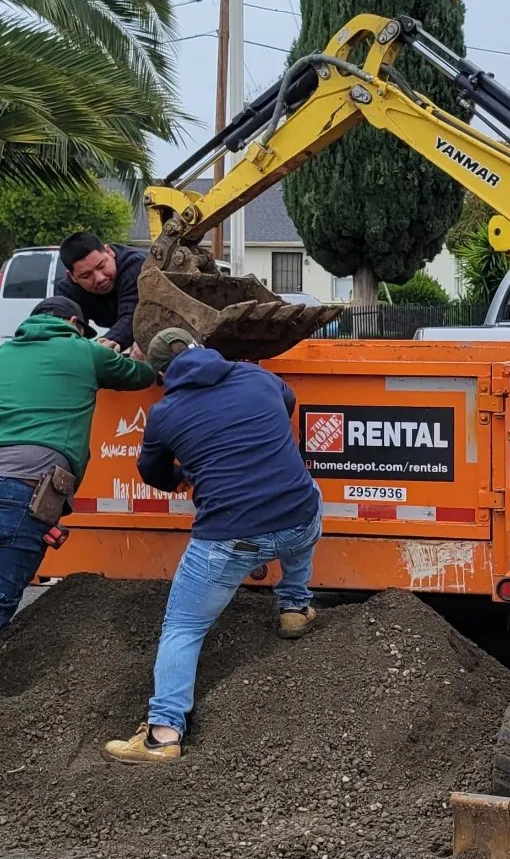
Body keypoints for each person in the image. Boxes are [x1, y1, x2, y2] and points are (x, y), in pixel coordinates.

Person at [103, 328, 323, 765]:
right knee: (305, 501)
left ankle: (162, 735)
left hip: (230, 536)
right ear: (203, 349)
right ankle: (294, 607)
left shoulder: (166, 413)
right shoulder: (256, 377)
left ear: (161, 373)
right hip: (300, 518)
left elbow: (152, 472)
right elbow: (289, 402)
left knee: (183, 627)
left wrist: (184, 477)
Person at [0, 297, 156, 629]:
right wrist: (142, 358)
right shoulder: (84, 351)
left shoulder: (3, 354)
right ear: (74, 323)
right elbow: (140, 376)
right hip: (27, 488)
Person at [55, 232, 147, 355]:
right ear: (72, 277)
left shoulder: (137, 266)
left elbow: (133, 318)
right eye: (86, 275)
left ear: (109, 252)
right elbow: (61, 330)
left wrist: (95, 351)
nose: (99, 278)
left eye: (101, 266)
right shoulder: (68, 290)